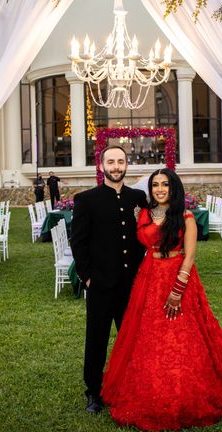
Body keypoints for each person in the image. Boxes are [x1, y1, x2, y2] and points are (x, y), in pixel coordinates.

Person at [101, 168, 222, 430]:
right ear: (150, 189)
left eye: (165, 184)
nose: (160, 189)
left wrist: (177, 290)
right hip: (149, 278)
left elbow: (189, 256)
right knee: (147, 335)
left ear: (173, 188)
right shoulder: (144, 214)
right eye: (155, 185)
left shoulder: (185, 217)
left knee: (183, 336)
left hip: (177, 277)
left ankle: (185, 387)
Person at [70, 145, 148, 414]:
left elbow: (146, 234)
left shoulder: (139, 198)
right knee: (97, 340)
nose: (116, 166)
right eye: (111, 162)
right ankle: (93, 390)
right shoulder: (86, 199)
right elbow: (78, 242)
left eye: (120, 161)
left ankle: (133, 385)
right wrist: (87, 278)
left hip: (132, 285)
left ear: (127, 164)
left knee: (133, 339)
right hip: (101, 285)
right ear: (101, 165)